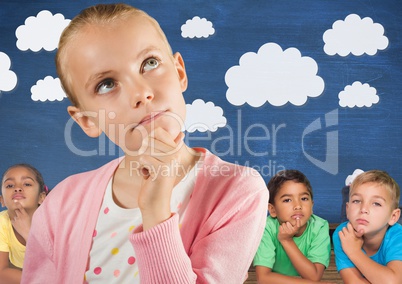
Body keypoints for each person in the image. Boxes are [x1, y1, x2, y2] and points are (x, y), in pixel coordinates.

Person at [21, 3, 269, 284]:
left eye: (149, 63)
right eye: (106, 84)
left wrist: (156, 211)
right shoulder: (60, 206)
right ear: (87, 120)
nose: (141, 93)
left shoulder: (238, 191)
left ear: (179, 72)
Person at [253, 169, 332, 284]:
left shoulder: (319, 226)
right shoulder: (266, 228)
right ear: (273, 210)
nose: (298, 205)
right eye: (287, 200)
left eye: (304, 198)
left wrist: (286, 240)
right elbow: (263, 278)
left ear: (312, 206)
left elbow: (314, 277)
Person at [333, 170, 402, 283]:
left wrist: (354, 251)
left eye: (376, 203)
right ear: (347, 209)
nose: (363, 209)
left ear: (393, 216)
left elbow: (393, 282)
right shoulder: (343, 234)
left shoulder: (397, 236)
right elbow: (354, 282)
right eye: (356, 201)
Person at [0, 164, 47, 284]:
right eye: (10, 185)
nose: (17, 188)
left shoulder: (52, 221)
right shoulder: (2, 222)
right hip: (19, 272)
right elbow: (1, 273)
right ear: (2, 201)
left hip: (51, 269)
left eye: (27, 184)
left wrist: (28, 233)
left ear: (41, 197)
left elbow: (57, 264)